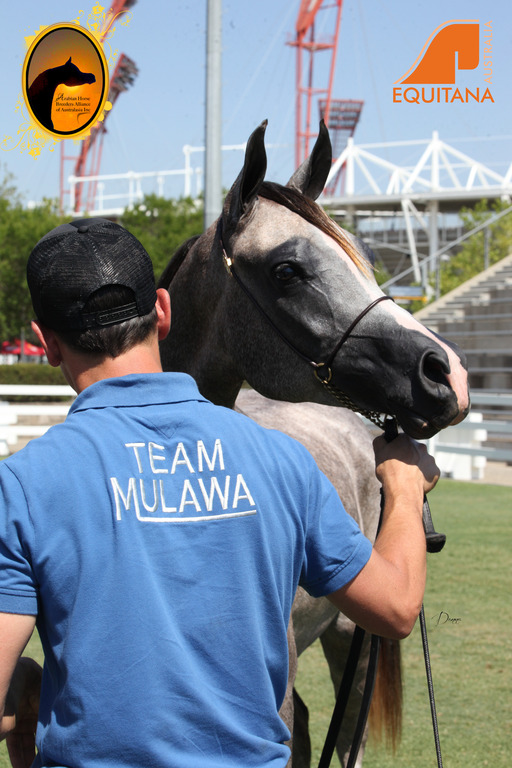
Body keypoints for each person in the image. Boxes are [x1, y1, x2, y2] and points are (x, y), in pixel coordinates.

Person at [0, 218, 439, 768]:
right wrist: (401, 487)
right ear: (162, 311)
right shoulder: (281, 460)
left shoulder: (23, 485)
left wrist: (29, 680)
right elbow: (395, 609)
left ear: (45, 344)